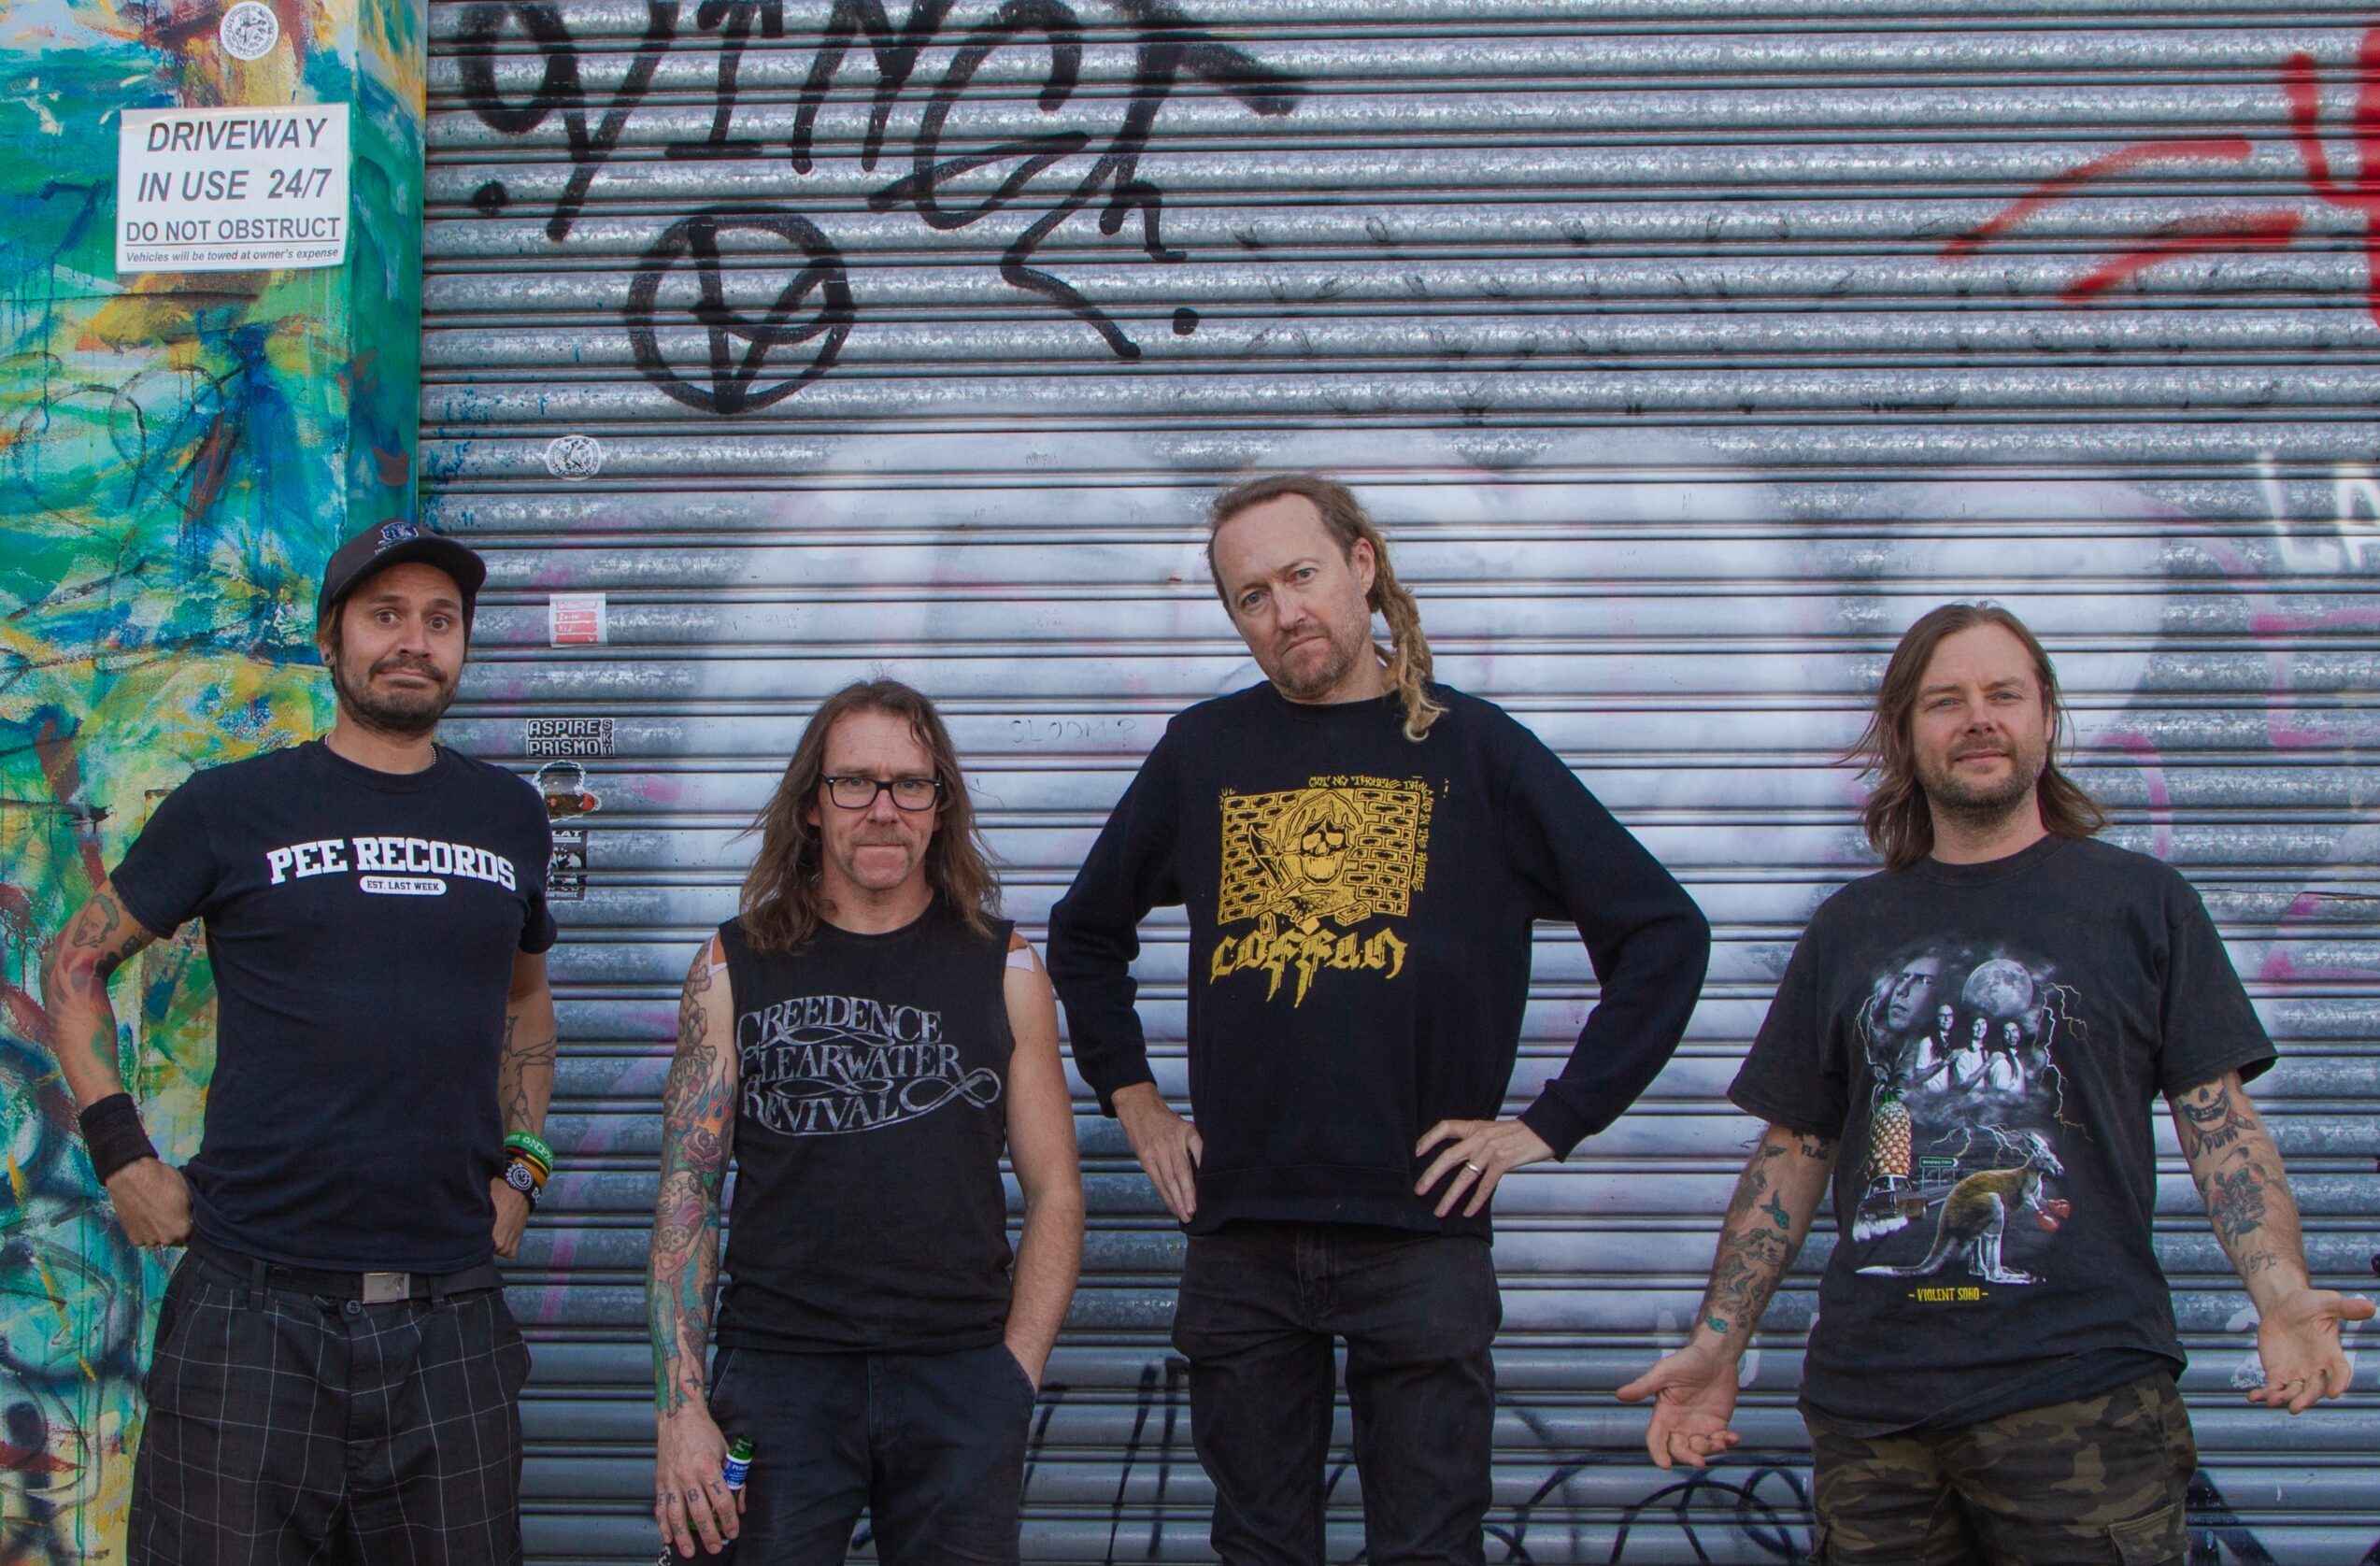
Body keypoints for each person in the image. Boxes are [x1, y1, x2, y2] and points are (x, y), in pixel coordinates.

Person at [1618, 601, 2373, 1564]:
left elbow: (2218, 1124)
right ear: (1905, 733)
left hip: (2083, 1398)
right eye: (1945, 700)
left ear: (2046, 718)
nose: (1978, 718)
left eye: (2002, 694)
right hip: (1873, 1415)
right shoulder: (1848, 927)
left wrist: (2280, 1295)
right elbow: (1794, 1151)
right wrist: (1718, 1343)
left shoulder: (2141, 903)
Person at [1046, 473, 1710, 1566]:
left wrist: (1550, 1123)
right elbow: (1084, 931)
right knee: (1259, 1547)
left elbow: (1662, 934)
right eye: (1252, 595)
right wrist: (1136, 1099)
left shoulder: (1476, 750)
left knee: (1430, 1547)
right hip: (1244, 1229)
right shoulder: (1205, 751)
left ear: (1362, 565)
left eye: (1302, 574)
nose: (1284, 611)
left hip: (1421, 1232)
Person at [39, 520, 560, 1565]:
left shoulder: (507, 816)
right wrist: (122, 1155)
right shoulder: (231, 806)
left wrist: (525, 1165)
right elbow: (74, 965)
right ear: (331, 639)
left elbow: (526, 994)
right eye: (385, 615)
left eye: (440, 620)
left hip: (448, 1318)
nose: (413, 641)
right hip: (252, 1311)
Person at [648, 679, 1083, 1565]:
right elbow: (688, 1188)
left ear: (939, 805)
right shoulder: (732, 964)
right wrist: (680, 1406)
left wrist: (1013, 1374)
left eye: (909, 784)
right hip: (778, 1378)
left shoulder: (1005, 967)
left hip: (958, 1376)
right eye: (854, 782)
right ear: (812, 803)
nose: (883, 810)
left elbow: (1056, 1191)